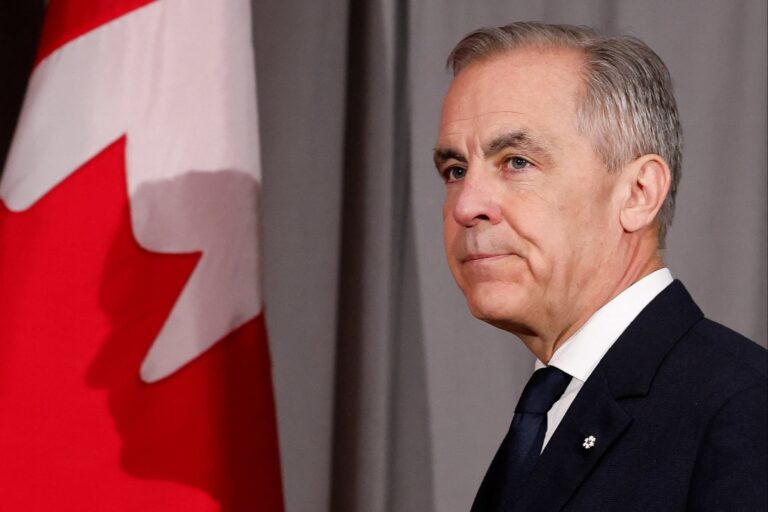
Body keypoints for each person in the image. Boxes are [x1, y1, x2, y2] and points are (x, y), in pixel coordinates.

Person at [434, 22, 767, 511]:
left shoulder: (745, 410)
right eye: (456, 171)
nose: (466, 206)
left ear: (638, 194)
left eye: (516, 161)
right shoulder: (553, 407)